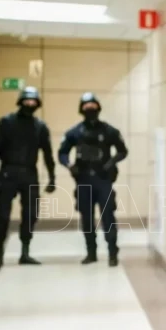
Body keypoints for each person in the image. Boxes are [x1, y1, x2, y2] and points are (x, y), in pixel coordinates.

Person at [0, 86, 56, 271]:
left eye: (33, 102)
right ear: (20, 102)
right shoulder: (6, 122)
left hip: (29, 174)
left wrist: (52, 177)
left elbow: (48, 154)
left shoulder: (40, 127)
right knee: (3, 215)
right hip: (7, 173)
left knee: (31, 214)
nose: (30, 104)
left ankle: (25, 252)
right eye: (27, 101)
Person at [57, 92, 128, 266]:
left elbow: (122, 151)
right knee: (86, 218)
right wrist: (69, 165)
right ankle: (91, 253)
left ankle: (112, 253)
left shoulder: (109, 131)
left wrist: (111, 162)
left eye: (93, 106)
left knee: (108, 216)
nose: (90, 109)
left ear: (98, 108)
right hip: (83, 180)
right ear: (81, 109)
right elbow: (62, 153)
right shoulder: (75, 132)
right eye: (86, 106)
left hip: (103, 180)